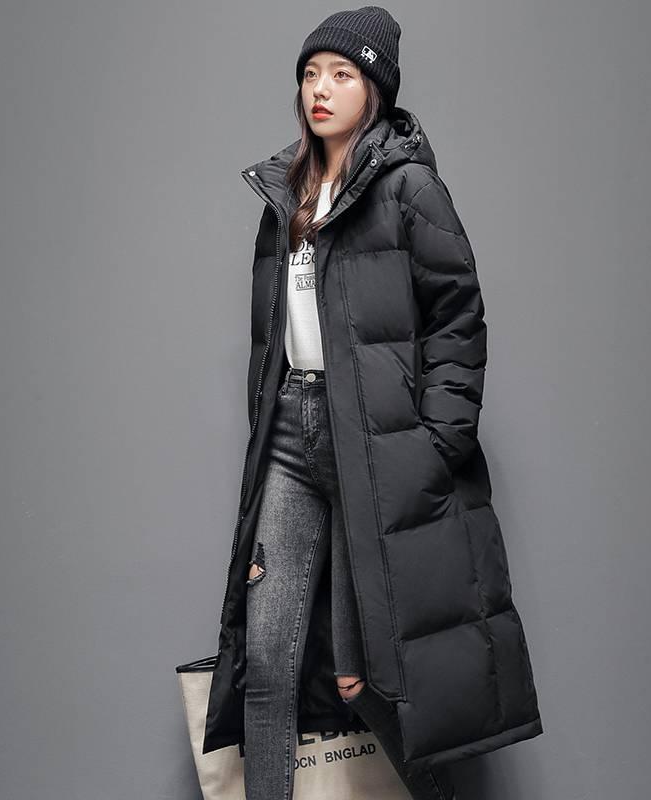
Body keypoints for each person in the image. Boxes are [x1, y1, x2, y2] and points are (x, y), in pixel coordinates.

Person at [205, 5, 543, 799]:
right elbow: (271, 339)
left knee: (376, 673)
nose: (319, 89)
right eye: (310, 74)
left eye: (341, 74)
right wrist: (268, 423)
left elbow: (458, 315)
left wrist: (436, 443)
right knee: (269, 660)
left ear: (376, 90)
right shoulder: (283, 194)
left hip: (379, 444)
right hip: (290, 440)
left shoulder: (408, 189)